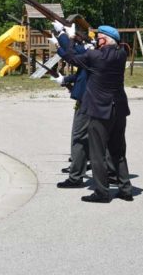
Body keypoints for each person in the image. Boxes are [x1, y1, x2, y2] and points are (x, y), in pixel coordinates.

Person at [56, 23, 133, 203]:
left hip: (100, 110)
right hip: (119, 109)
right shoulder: (122, 54)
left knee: (97, 153)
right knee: (118, 152)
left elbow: (70, 56)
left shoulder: (94, 56)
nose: (97, 41)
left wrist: (71, 37)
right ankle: (126, 189)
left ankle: (102, 192)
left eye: (99, 39)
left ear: (104, 40)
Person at [48, 22, 90, 189]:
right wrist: (65, 79)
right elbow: (76, 63)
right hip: (86, 98)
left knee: (79, 137)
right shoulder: (91, 51)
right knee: (84, 138)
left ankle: (77, 174)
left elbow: (73, 55)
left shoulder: (91, 52)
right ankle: (79, 167)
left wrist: (64, 36)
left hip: (86, 100)